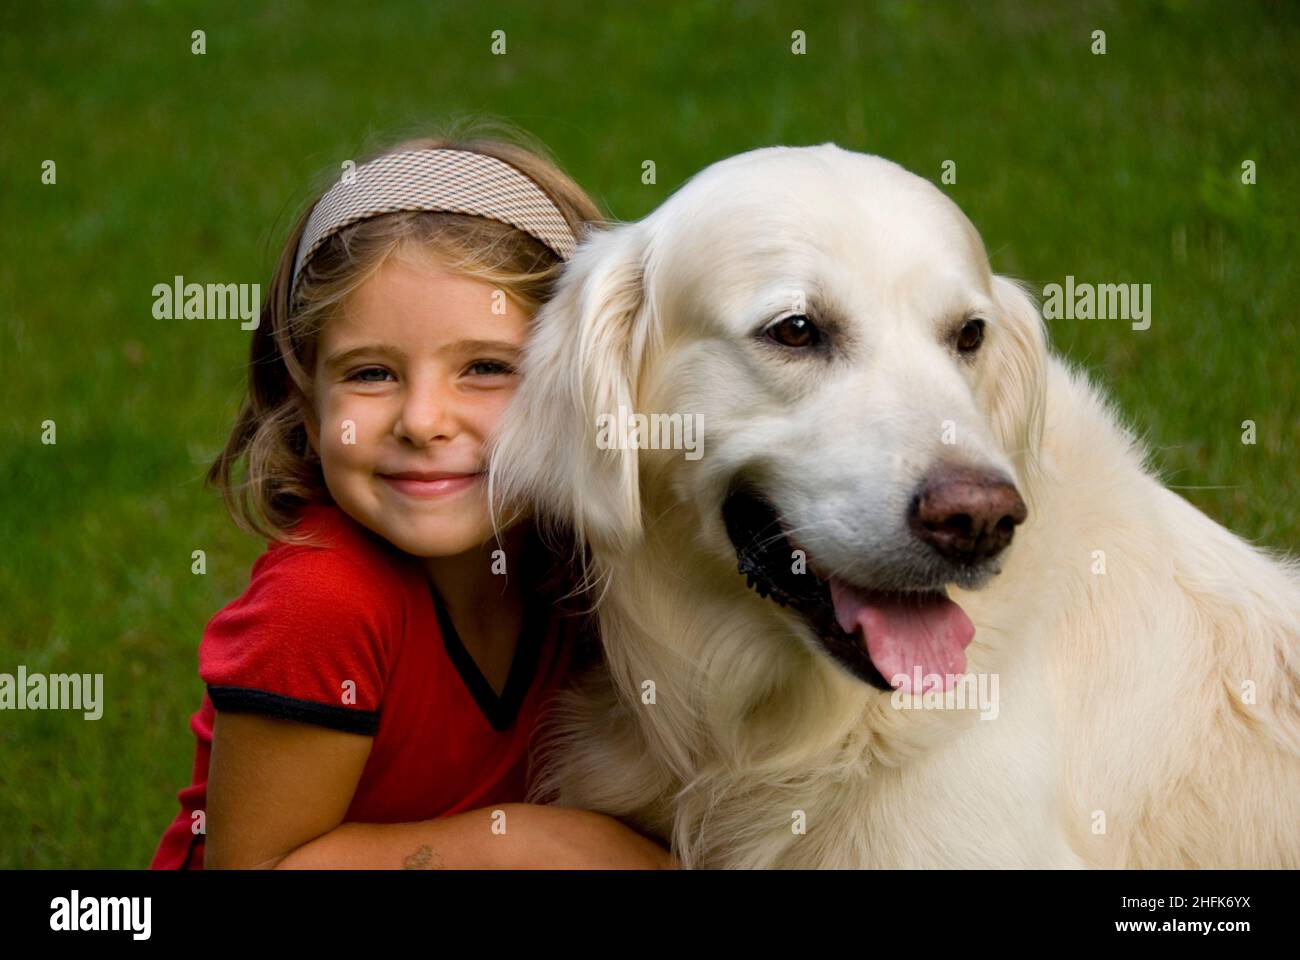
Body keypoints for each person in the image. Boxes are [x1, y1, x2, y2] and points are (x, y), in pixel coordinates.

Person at [150, 127, 674, 869]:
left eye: (486, 368)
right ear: (307, 404)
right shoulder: (323, 602)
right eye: (370, 374)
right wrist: (517, 845)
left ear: (574, 385)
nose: (423, 421)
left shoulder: (583, 565)